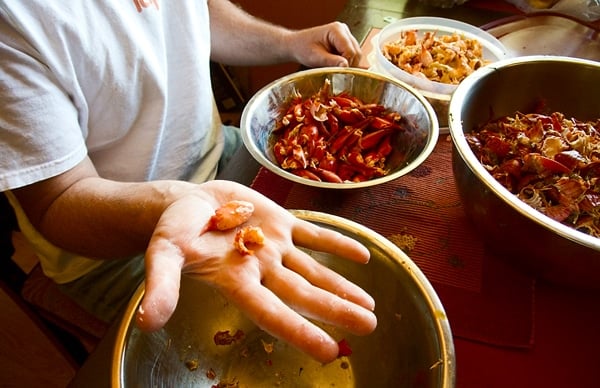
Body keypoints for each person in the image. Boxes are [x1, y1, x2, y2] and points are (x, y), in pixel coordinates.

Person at [0, 0, 376, 363]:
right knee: (259, 343)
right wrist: (170, 202)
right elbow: (56, 200)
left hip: (219, 154)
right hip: (112, 244)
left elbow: (198, 11)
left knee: (352, 238)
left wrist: (288, 42)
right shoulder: (12, 20)